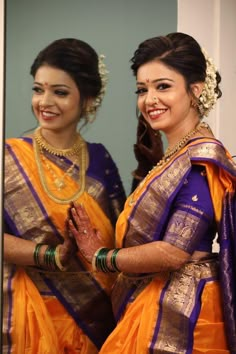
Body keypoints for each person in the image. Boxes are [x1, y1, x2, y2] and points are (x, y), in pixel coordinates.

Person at [68, 32, 236, 353]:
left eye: (163, 86)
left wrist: (100, 257)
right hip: (153, 301)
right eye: (142, 89)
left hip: (181, 316)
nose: (149, 99)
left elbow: (173, 253)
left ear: (195, 90)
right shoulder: (172, 156)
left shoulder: (202, 158)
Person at [3, 38, 126, 354]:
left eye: (59, 92)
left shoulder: (100, 160)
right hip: (28, 318)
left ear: (87, 99)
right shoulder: (8, 158)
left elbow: (123, 237)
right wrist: (50, 255)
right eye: (38, 89)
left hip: (93, 321)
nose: (44, 101)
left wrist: (146, 172)